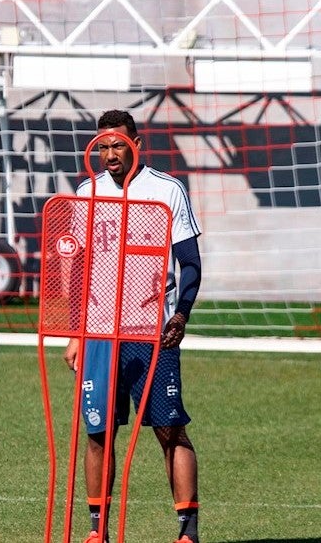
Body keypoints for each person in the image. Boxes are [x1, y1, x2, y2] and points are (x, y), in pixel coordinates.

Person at [64, 110, 202, 543]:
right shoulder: (87, 192)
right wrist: (75, 332)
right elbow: (76, 269)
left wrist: (180, 314)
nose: (109, 154)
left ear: (136, 144)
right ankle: (96, 531)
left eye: (117, 145)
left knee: (169, 429)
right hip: (101, 336)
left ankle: (187, 532)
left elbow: (191, 264)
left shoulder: (167, 190)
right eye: (102, 147)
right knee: (98, 430)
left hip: (152, 334)